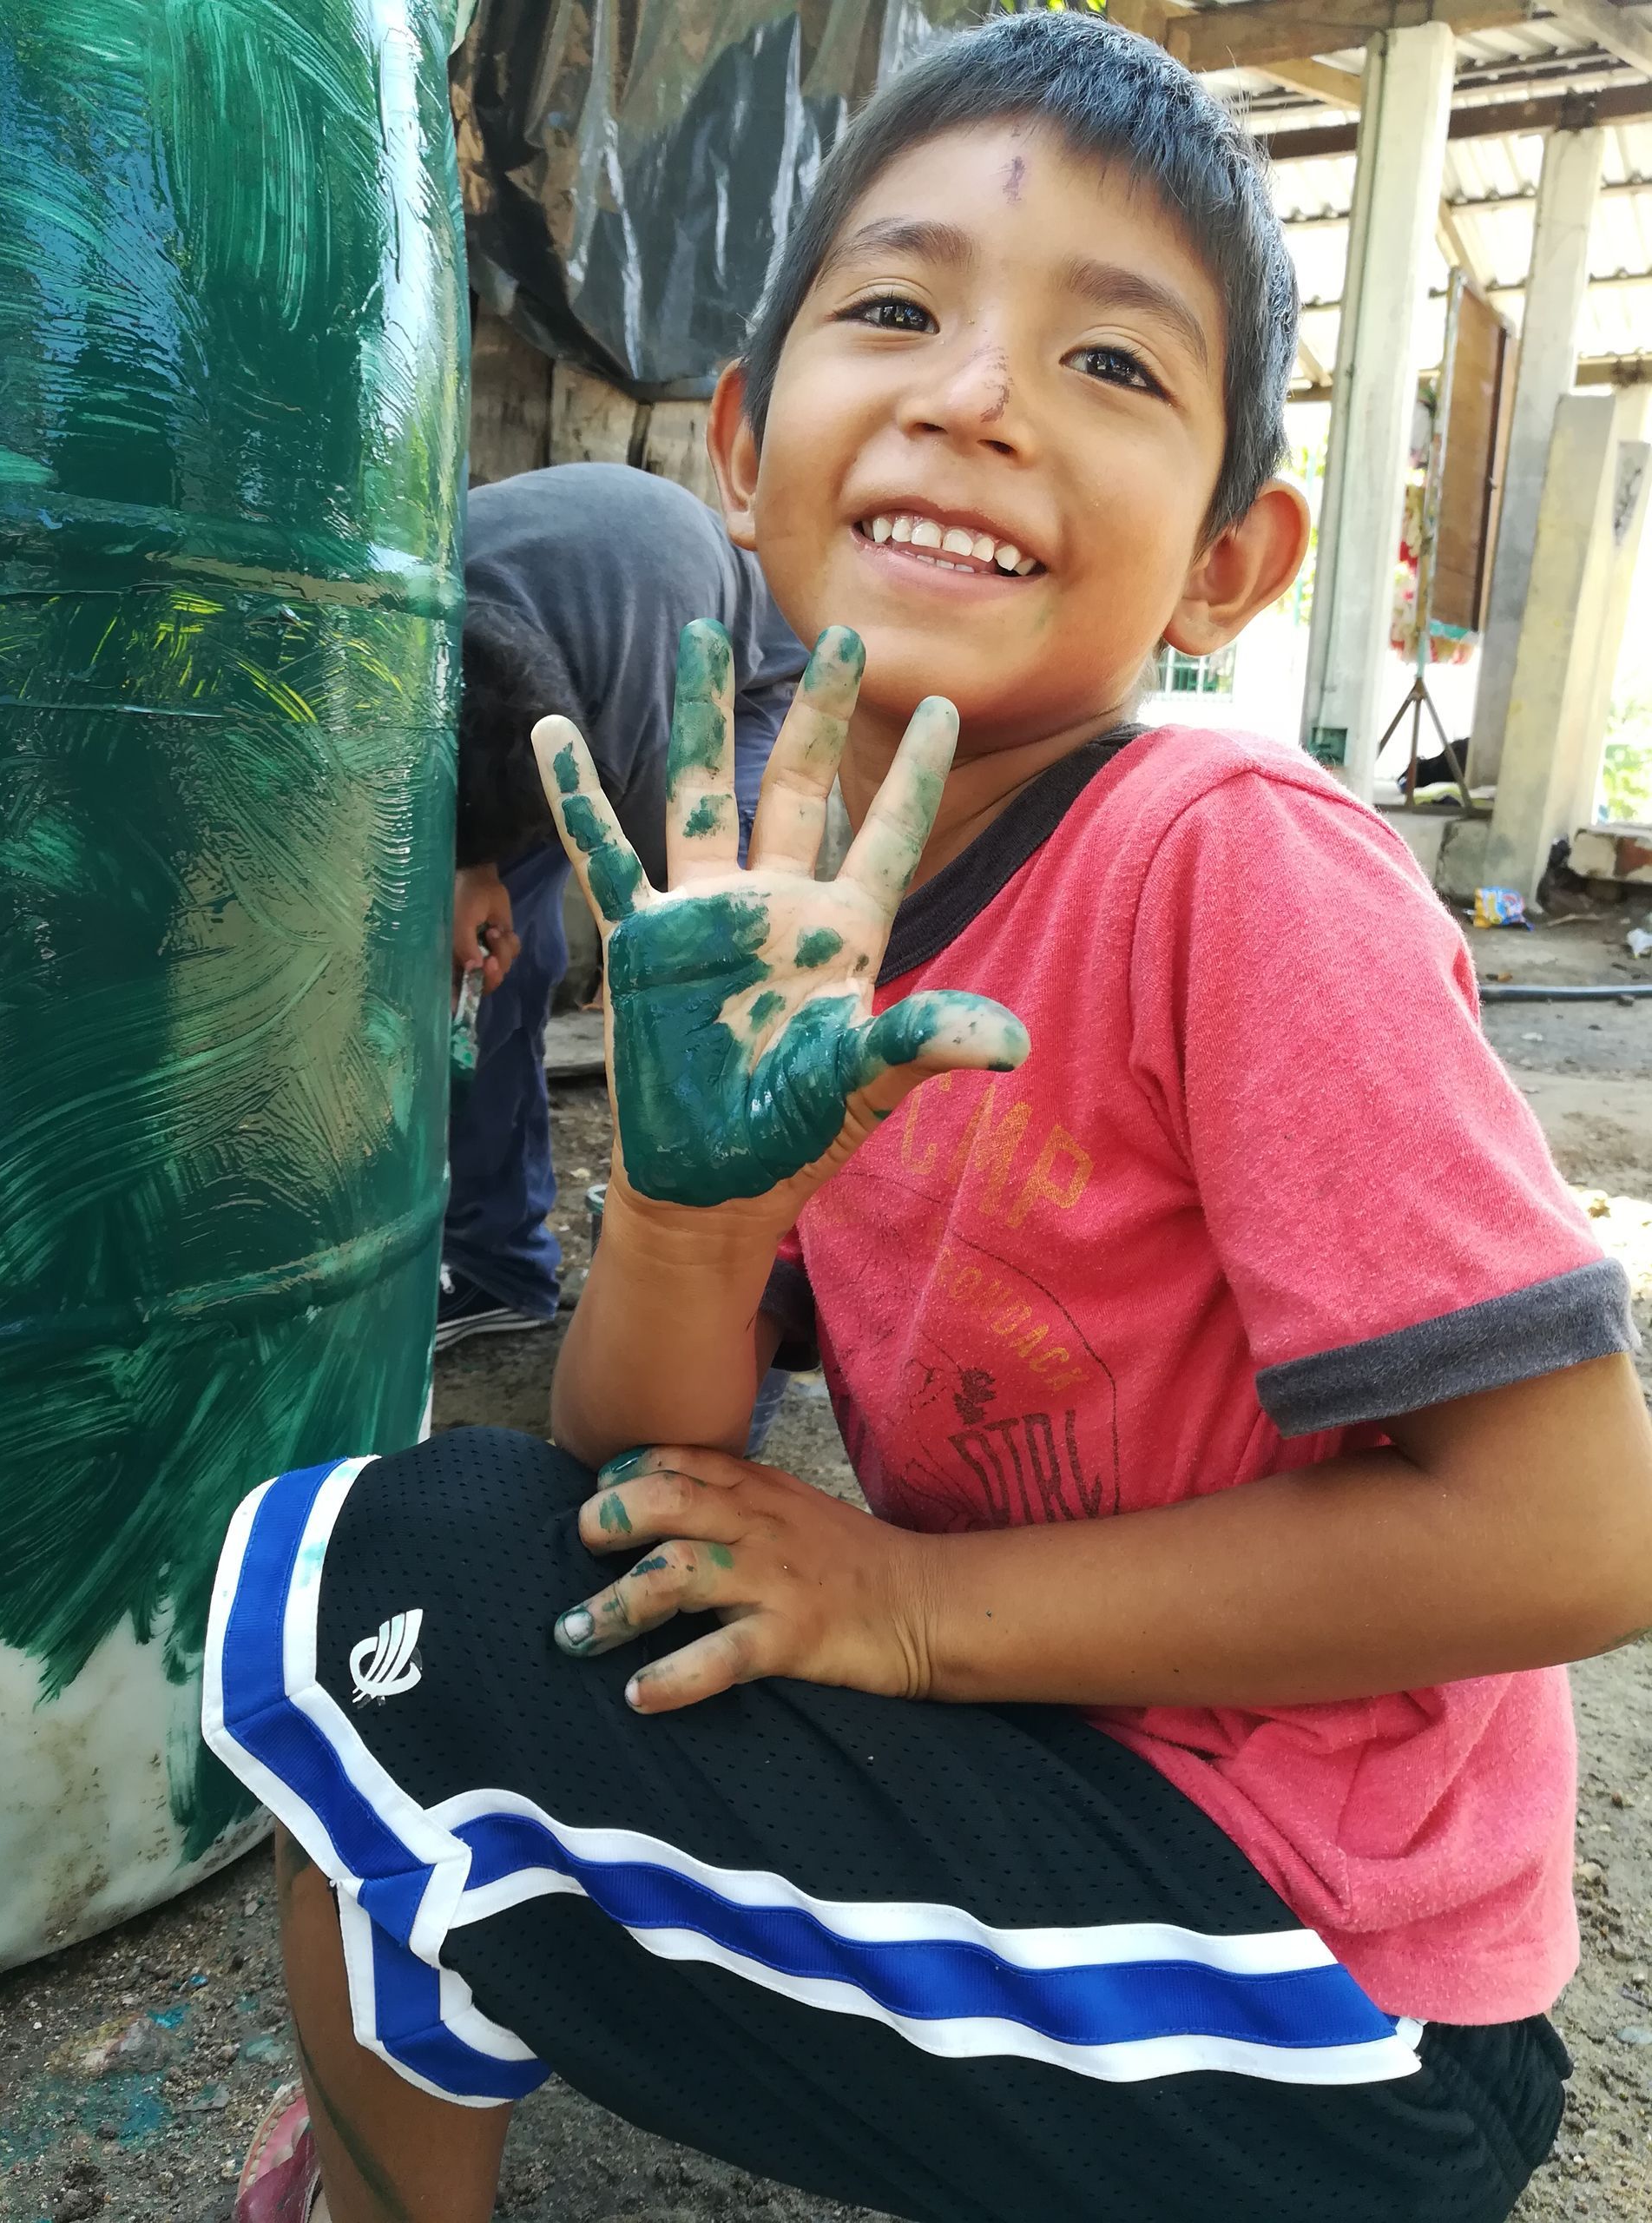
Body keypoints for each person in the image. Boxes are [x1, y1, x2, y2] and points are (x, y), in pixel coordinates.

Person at [207, 17, 1652, 2223]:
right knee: (469, 1560)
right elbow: (625, 1464)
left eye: (1112, 366)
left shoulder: (1226, 858)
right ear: (740, 438)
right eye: (894, 310)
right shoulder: (788, 898)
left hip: (1342, 2008)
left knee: (369, 1618)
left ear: (1232, 562)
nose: (975, 394)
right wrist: (690, 1217)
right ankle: (425, 2009)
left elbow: (1576, 1532)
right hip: (1083, 1805)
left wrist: (900, 1610)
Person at [438, 460, 807, 1349]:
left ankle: (751, 1295)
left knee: (717, 971)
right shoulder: (401, 629)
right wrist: (468, 868)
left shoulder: (657, 683)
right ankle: (498, 1263)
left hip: (744, 675)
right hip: (542, 650)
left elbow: (668, 905)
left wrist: (632, 971)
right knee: (480, 974)